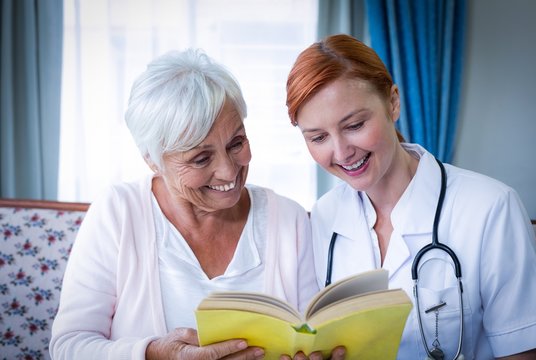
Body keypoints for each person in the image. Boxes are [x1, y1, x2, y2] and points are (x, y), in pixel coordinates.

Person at [50, 49, 342, 360]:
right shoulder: (118, 213)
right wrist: (153, 354)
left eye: (236, 143)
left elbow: (313, 336)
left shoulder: (289, 218)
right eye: (200, 158)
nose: (229, 171)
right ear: (153, 160)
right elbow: (69, 346)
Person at [285, 34, 536, 359]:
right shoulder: (325, 215)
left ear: (393, 102)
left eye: (355, 125)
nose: (341, 152)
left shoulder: (490, 209)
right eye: (318, 137)